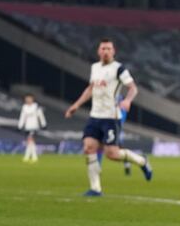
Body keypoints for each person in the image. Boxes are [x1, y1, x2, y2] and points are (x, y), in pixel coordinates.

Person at [65, 38, 152, 196]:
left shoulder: (119, 69)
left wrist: (127, 100)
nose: (106, 51)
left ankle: (142, 161)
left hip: (111, 117)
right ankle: (95, 188)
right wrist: (76, 105)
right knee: (88, 147)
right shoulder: (95, 67)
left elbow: (133, 88)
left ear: (113, 51)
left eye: (109, 49)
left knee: (112, 154)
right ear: (99, 51)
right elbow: (91, 88)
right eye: (103, 48)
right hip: (94, 116)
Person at [18, 94, 46, 163]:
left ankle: (31, 156)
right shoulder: (24, 107)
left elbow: (40, 115)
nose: (28, 100)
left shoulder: (36, 107)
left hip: (34, 126)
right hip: (27, 126)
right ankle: (31, 156)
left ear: (32, 99)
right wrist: (20, 125)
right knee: (30, 142)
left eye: (29, 98)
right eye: (27, 98)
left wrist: (43, 124)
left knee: (30, 140)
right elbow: (22, 117)